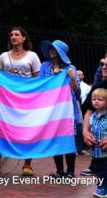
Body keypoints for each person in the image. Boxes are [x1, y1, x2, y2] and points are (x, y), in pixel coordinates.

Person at [0, 26, 41, 176]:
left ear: (23, 38)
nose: (13, 37)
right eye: (11, 35)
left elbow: (37, 79)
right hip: (6, 97)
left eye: (17, 34)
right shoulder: (3, 56)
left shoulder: (32, 56)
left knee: (28, 129)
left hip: (27, 99)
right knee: (1, 127)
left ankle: (27, 164)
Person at [38, 40, 81, 179]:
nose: (51, 50)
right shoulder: (45, 67)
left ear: (60, 52)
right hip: (51, 110)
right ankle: (59, 171)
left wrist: (72, 78)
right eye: (50, 48)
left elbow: (77, 92)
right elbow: (40, 85)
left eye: (54, 49)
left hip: (67, 111)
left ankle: (70, 172)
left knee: (68, 138)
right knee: (55, 138)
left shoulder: (70, 68)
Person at [87, 88, 107, 198]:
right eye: (94, 99)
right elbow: (90, 130)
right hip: (96, 152)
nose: (96, 101)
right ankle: (101, 188)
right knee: (99, 171)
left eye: (100, 99)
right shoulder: (93, 116)